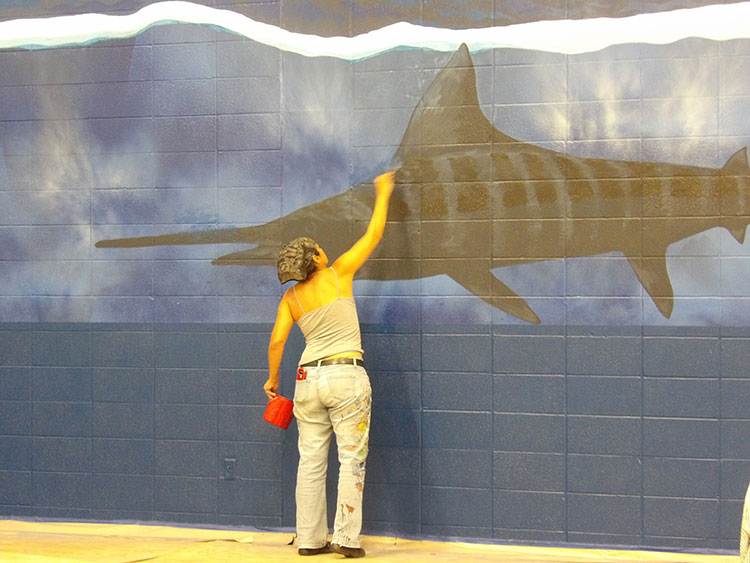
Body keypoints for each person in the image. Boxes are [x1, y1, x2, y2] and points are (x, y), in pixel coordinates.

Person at [264, 171, 396, 558]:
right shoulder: (338, 274)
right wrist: (383, 192)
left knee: (311, 462)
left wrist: (273, 381)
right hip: (345, 376)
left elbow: (277, 342)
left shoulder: (291, 299)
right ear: (317, 258)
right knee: (351, 459)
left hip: (306, 379)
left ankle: (309, 541)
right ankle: (347, 541)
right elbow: (373, 235)